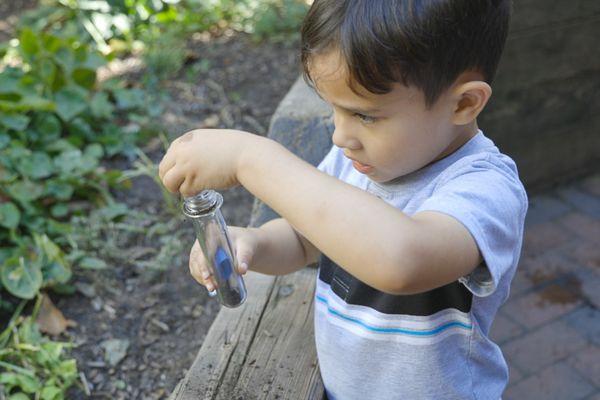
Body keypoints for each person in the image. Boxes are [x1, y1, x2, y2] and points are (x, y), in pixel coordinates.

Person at [159, 0, 528, 398]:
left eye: (365, 116)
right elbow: (306, 241)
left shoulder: (486, 189)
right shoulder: (357, 160)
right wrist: (254, 243)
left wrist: (251, 159)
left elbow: (402, 261)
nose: (340, 136)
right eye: (333, 110)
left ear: (463, 103)